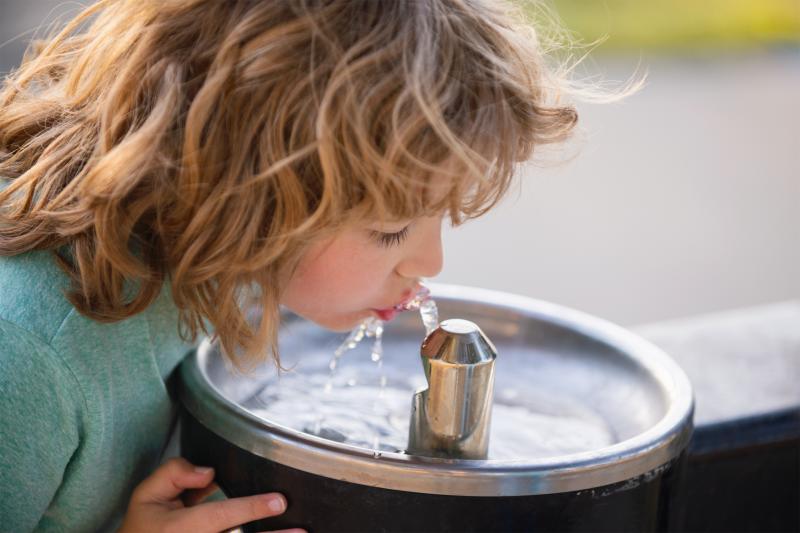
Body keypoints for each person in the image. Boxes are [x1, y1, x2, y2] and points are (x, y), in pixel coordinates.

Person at [0, 0, 592, 530]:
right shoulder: (27, 355)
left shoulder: (225, 258)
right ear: (245, 192)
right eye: (390, 230)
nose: (430, 262)